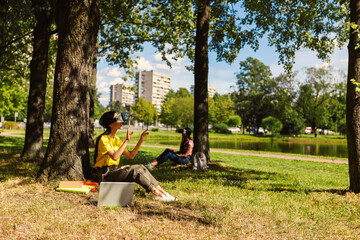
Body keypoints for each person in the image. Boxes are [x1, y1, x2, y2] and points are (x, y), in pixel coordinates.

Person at [93, 111, 177, 202]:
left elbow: (131, 155)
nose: (121, 121)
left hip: (114, 171)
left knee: (141, 167)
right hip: (105, 174)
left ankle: (164, 193)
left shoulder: (116, 139)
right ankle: (158, 194)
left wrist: (141, 140)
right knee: (134, 170)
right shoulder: (103, 139)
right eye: (117, 118)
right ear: (110, 124)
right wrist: (126, 141)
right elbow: (115, 157)